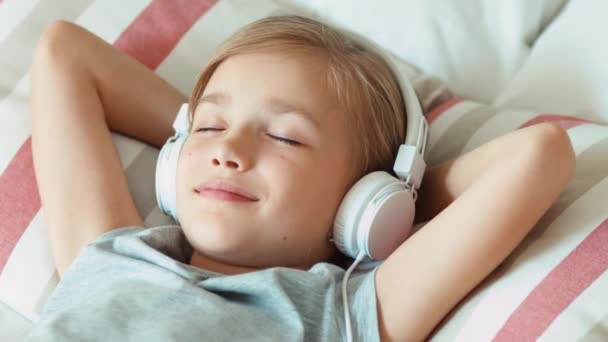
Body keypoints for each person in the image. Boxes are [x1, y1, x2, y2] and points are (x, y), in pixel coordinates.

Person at [27, 15, 575, 342]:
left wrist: (387, 202)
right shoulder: (110, 257)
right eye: (212, 124)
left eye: (285, 138)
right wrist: (188, 139)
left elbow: (540, 153)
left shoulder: (344, 311)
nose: (227, 151)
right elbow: (64, 50)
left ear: (360, 204)